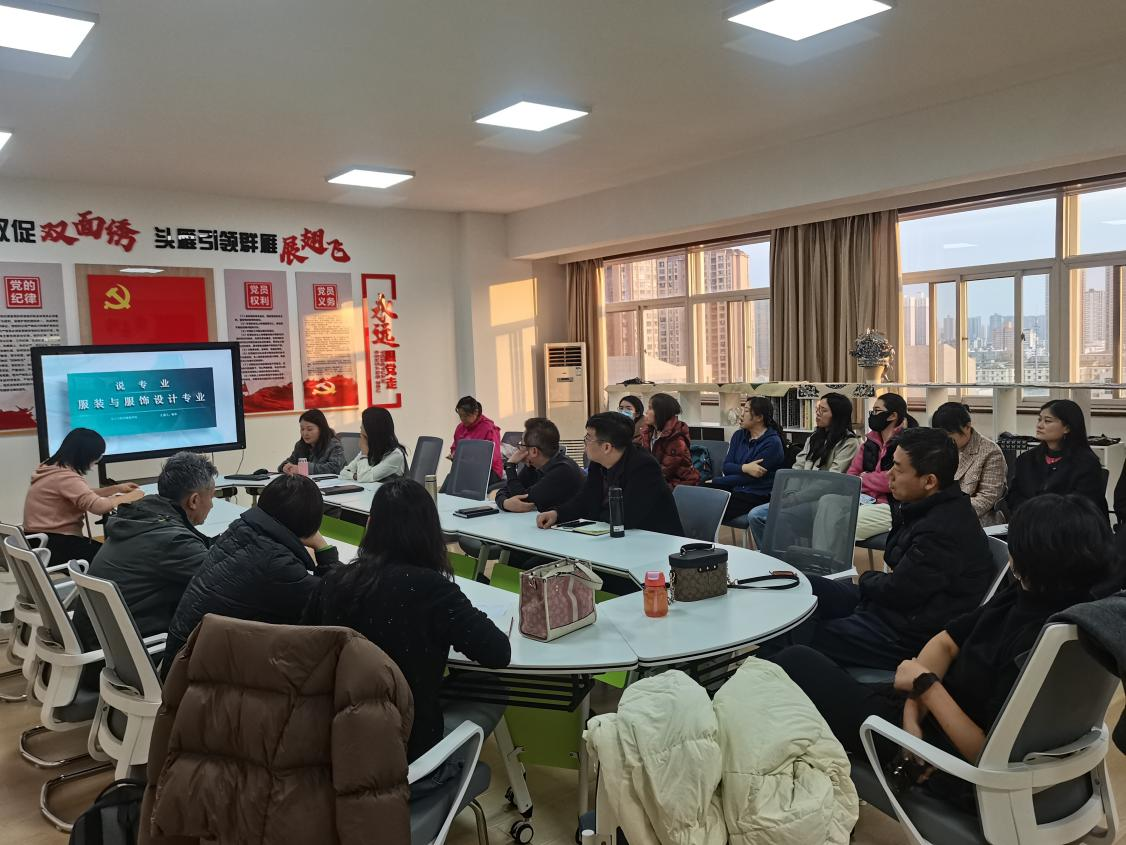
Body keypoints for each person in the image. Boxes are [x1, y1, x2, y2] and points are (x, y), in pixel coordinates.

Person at [772, 494, 1112, 809]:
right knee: (805, 651)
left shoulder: (1042, 638)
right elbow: (946, 642)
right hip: (922, 723)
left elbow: (986, 752)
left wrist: (925, 685)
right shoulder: (1046, 600)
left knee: (793, 661)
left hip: (945, 759)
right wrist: (913, 712)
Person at [302, 478, 511, 769]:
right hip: (408, 746)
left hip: (335, 735)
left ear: (371, 525)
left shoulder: (333, 581)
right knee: (489, 686)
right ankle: (446, 768)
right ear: (431, 532)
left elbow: (305, 646)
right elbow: (498, 653)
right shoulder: (434, 590)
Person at [805, 427, 994, 671]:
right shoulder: (924, 506)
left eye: (898, 468)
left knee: (804, 633)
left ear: (929, 481)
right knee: (808, 586)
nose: (889, 475)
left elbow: (899, 591)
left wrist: (867, 578)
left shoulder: (942, 530)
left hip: (904, 634)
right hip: (891, 609)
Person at [164, 474, 339, 676]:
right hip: (199, 679)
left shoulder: (240, 530)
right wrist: (323, 548)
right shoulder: (276, 564)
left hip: (183, 661)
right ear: (310, 524)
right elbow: (334, 602)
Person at [72, 451, 218, 688]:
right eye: (211, 496)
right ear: (193, 500)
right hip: (132, 663)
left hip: (102, 651)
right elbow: (221, 580)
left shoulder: (140, 519)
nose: (211, 504)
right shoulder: (173, 542)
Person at [537, 412, 684, 536]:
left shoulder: (644, 467)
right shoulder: (598, 463)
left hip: (653, 542)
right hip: (614, 538)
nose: (585, 442)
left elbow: (627, 516)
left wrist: (593, 515)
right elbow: (585, 499)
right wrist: (557, 514)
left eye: (588, 437)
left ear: (606, 447)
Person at [745, 392, 860, 547]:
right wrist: (790, 493)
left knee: (780, 517)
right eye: (818, 409)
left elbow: (831, 481)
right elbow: (797, 468)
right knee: (755, 515)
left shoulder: (849, 443)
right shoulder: (814, 438)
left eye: (823, 410)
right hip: (797, 496)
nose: (817, 413)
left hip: (820, 502)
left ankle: (788, 558)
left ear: (837, 415)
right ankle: (770, 555)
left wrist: (796, 499)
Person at [22, 427, 143, 563]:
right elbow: (98, 507)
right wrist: (127, 498)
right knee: (114, 560)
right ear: (85, 456)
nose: (97, 461)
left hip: (40, 540)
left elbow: (83, 494)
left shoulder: (51, 467)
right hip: (55, 544)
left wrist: (116, 489)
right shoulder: (65, 477)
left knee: (108, 552)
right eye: (97, 456)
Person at [1006, 399, 1106, 518]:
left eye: (1047, 421)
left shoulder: (1086, 463)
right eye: (1039, 419)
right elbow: (1014, 496)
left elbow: (1082, 506)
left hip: (1071, 525)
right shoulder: (1026, 459)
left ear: (1067, 428)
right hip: (1029, 523)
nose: (1039, 425)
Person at [848, 392, 916, 541]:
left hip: (892, 504)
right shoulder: (869, 443)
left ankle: (833, 556)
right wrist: (871, 480)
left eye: (877, 411)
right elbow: (851, 477)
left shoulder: (906, 443)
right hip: (864, 500)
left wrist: (864, 477)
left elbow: (893, 480)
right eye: (872, 411)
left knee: (847, 523)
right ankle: (819, 555)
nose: (873, 415)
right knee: (828, 503)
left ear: (892, 416)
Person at [707, 396, 786, 521]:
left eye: (747, 411)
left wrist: (718, 480)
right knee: (698, 492)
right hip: (736, 487)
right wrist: (745, 468)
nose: (741, 415)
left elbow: (750, 478)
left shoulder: (772, 443)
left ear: (759, 417)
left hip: (757, 493)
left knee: (709, 507)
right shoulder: (739, 435)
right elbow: (726, 467)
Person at [930, 402, 1006, 526]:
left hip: (977, 518)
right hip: (939, 513)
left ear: (967, 427)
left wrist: (946, 509)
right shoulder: (939, 448)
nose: (945, 441)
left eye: (950, 436)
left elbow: (986, 499)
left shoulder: (990, 452)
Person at [494, 417, 583, 513]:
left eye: (521, 445)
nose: (518, 449)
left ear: (534, 451)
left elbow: (523, 502)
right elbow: (505, 491)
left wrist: (510, 466)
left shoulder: (563, 470)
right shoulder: (534, 465)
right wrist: (505, 503)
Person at [635, 393, 699, 489]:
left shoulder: (676, 438)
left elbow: (665, 471)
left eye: (650, 408)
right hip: (658, 480)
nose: (646, 412)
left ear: (661, 412)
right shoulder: (648, 432)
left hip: (680, 484)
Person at [339, 406, 408, 483]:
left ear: (373, 428)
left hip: (389, 490)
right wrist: (356, 476)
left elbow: (364, 478)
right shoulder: (370, 448)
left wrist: (364, 454)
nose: (360, 427)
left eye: (363, 424)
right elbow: (344, 472)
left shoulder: (395, 455)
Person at [449, 395, 503, 483]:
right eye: (460, 416)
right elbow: (455, 447)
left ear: (476, 412)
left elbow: (492, 457)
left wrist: (469, 459)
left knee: (461, 483)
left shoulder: (488, 428)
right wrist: (454, 454)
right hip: (467, 469)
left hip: (489, 471)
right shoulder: (460, 428)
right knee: (450, 480)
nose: (462, 419)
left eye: (466, 416)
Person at [279, 409, 346, 475]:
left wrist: (304, 469)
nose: (305, 433)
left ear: (321, 429)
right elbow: (290, 461)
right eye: (302, 429)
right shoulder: (300, 445)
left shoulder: (334, 445)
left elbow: (335, 468)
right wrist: (285, 467)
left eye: (309, 429)